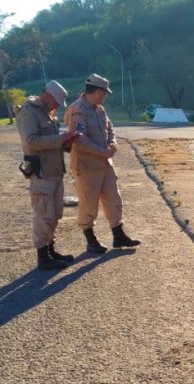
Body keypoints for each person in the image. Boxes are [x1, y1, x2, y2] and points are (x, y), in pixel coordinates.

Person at [64, 73, 140, 253]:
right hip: (86, 166)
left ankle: (118, 235)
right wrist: (102, 151)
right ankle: (91, 239)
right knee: (88, 203)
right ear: (97, 91)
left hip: (105, 163)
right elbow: (79, 139)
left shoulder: (99, 109)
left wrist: (113, 144)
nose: (105, 96)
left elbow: (109, 128)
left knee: (114, 199)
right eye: (104, 93)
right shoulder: (77, 110)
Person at [16, 80, 80, 271]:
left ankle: (51, 250)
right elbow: (31, 141)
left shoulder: (48, 113)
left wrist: (67, 141)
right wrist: (60, 139)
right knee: (43, 215)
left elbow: (52, 142)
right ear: (48, 96)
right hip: (41, 173)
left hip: (54, 171)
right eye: (57, 102)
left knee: (55, 214)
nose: (58, 107)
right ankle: (43, 256)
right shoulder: (28, 111)